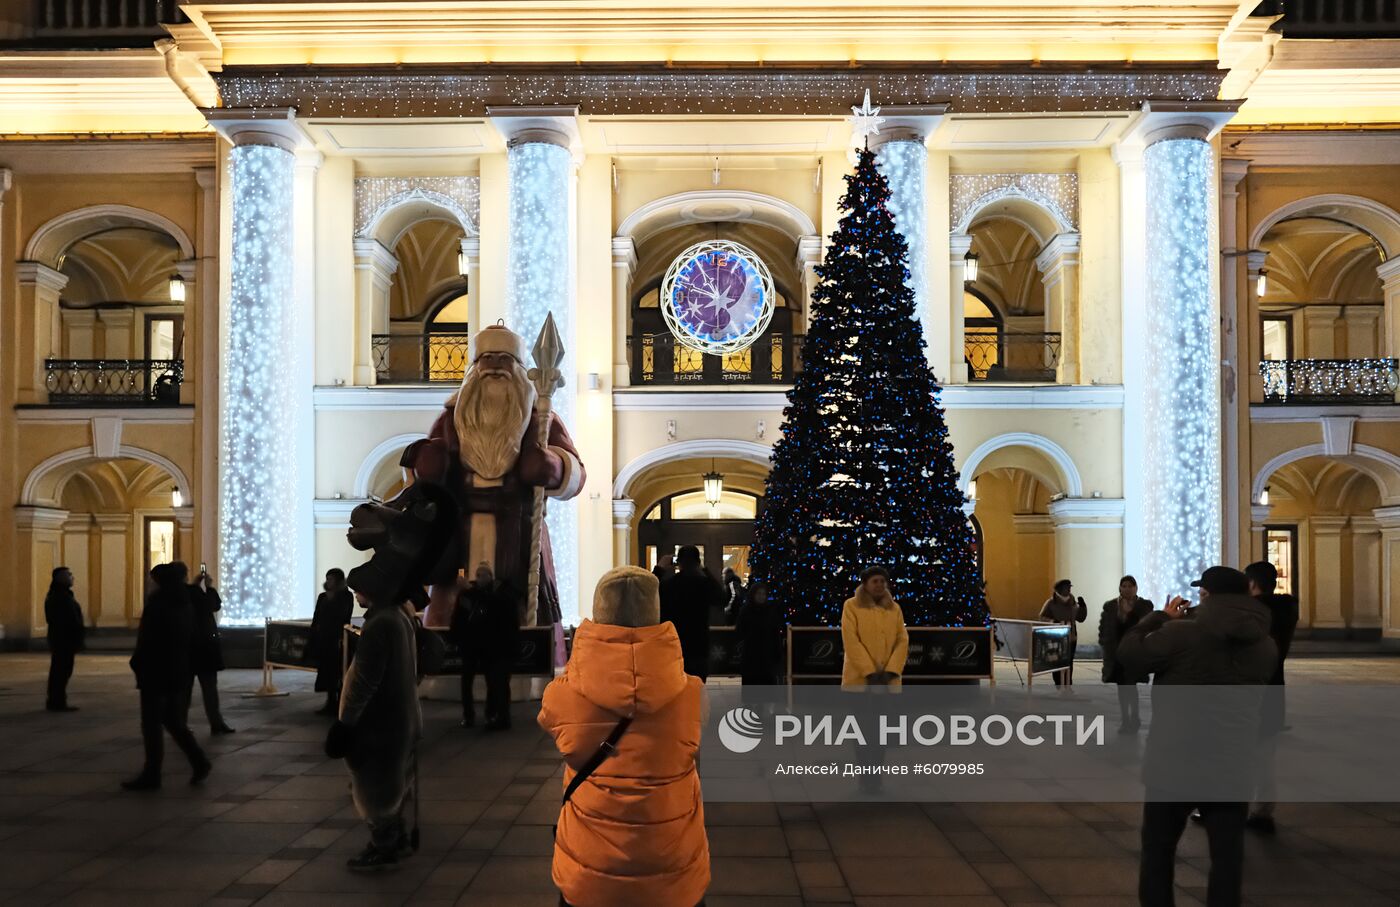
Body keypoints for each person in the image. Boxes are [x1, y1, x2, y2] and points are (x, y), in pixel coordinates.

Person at [539, 566, 710, 907]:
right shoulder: (693, 693)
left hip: (591, 865)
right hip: (672, 864)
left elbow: (550, 719)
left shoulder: (562, 694)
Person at [402, 323, 586, 630]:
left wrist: (553, 465)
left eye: (505, 359)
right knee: (450, 613)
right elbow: (419, 478)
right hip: (460, 535)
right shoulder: (452, 419)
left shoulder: (541, 419)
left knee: (524, 616)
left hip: (519, 533)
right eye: (487, 359)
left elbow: (576, 474)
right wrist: (427, 463)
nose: (495, 367)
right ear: (474, 368)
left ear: (520, 369)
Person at [1117, 565, 1278, 907]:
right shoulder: (1265, 645)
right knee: (1228, 860)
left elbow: (1129, 654)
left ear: (1205, 595)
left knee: (1159, 854)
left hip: (1175, 760)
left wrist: (1158, 617)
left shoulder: (1182, 635)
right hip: (1233, 764)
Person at [325, 584, 421, 872]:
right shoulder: (400, 617)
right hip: (402, 717)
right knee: (396, 782)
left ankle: (385, 845)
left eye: (361, 589)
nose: (356, 595)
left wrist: (345, 723)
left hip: (380, 722)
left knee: (375, 788)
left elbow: (365, 679)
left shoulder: (381, 624)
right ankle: (397, 837)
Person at [123, 562, 210, 791]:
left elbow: (148, 641)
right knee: (173, 721)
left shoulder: (158, 605)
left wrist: (137, 663)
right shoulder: (183, 603)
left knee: (152, 724)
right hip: (177, 670)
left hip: (155, 671)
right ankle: (199, 761)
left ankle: (152, 774)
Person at [1244, 559, 1298, 835]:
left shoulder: (1254, 614)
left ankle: (1230, 808)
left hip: (1248, 693)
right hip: (1274, 689)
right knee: (1265, 756)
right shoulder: (1286, 611)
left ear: (1252, 584)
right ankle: (1263, 811)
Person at [450, 562, 520, 730]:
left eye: (484, 575)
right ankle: (475, 715)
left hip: (485, 645)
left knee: (492, 682)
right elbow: (458, 619)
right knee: (481, 681)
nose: (481, 578)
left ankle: (490, 714)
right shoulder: (475, 595)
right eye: (479, 575)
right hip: (476, 645)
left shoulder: (490, 595)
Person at [1098, 575, 1153, 732]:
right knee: (1122, 686)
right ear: (1120, 588)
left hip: (1134, 652)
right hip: (1116, 653)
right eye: (1124, 586)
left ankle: (1134, 717)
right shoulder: (1110, 606)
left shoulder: (1144, 605)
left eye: (1130, 586)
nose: (1127, 589)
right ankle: (1125, 718)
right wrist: (1104, 642)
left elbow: (1149, 625)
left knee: (1131, 684)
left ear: (1136, 588)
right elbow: (1103, 627)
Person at [660, 545, 723, 681]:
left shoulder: (670, 585)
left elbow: (649, 594)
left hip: (675, 642)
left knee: (676, 685)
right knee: (697, 686)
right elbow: (721, 598)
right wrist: (706, 571)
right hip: (698, 643)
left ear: (679, 562)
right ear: (698, 563)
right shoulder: (704, 584)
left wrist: (660, 569)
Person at [840, 566, 909, 691]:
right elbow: (851, 641)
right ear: (865, 584)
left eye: (882, 581)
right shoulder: (851, 606)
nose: (880, 584)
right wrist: (869, 671)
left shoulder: (895, 608)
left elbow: (902, 640)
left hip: (889, 683)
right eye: (875, 581)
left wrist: (892, 671)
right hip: (858, 682)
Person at [188, 566, 234, 734]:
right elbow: (214, 605)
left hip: (189, 650)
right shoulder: (195, 595)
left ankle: (182, 723)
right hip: (204, 649)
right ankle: (216, 722)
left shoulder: (183, 594)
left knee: (186, 691)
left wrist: (195, 585)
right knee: (209, 689)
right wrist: (209, 586)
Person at [311, 568, 355, 715]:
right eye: (327, 578)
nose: (328, 582)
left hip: (338, 639)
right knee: (327, 672)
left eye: (331, 579)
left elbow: (343, 615)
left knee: (338, 672)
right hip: (325, 640)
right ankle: (330, 702)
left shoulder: (346, 596)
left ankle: (339, 703)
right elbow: (317, 616)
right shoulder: (323, 596)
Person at [736, 580, 784, 706]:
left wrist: (777, 652)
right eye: (759, 594)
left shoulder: (770, 610)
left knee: (765, 683)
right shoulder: (746, 610)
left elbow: (775, 632)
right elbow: (740, 630)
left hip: (766, 653)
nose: (761, 596)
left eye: (763, 594)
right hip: (751, 653)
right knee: (752, 682)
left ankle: (764, 708)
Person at [44, 567, 85, 712]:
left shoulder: (62, 595)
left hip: (64, 640)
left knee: (61, 671)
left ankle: (57, 700)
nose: (72, 577)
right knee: (60, 672)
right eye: (69, 575)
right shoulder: (59, 597)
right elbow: (64, 620)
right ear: (60, 578)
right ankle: (57, 702)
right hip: (63, 640)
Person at [1039, 579, 1087, 687]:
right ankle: (1059, 684)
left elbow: (1080, 618)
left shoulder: (1073, 602)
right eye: (1067, 587)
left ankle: (1068, 684)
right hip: (1056, 637)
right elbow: (1042, 617)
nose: (1069, 589)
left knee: (1069, 662)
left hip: (1071, 637)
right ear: (1059, 589)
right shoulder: (1051, 603)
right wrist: (1054, 623)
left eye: (1070, 587)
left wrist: (1083, 608)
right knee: (1056, 662)